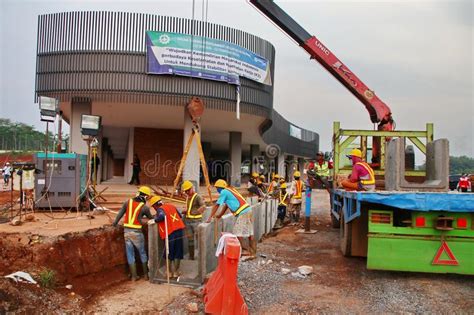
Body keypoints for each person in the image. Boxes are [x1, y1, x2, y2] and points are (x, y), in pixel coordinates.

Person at [207, 179, 256, 259]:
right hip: (248, 210)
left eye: (217, 188)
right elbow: (226, 205)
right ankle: (253, 252)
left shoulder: (224, 192)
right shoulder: (230, 190)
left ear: (220, 188)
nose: (217, 190)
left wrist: (210, 217)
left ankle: (244, 251)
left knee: (237, 232)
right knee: (249, 231)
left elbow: (217, 205)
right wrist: (220, 215)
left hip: (243, 212)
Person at [112, 186, 154, 281]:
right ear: (146, 197)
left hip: (126, 232)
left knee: (130, 254)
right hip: (137, 233)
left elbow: (120, 214)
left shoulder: (128, 202)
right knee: (142, 253)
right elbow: (151, 218)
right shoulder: (144, 208)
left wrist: (114, 223)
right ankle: (146, 275)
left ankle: (134, 277)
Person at [148, 195, 185, 278]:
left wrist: (155, 220)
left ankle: (168, 272)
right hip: (179, 231)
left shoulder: (160, 209)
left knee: (169, 252)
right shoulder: (171, 206)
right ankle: (176, 272)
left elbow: (162, 216)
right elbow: (180, 216)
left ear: (155, 205)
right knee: (178, 252)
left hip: (170, 233)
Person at [181, 180, 206, 260]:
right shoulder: (188, 197)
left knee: (199, 240)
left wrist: (196, 211)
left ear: (192, 188)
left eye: (188, 190)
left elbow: (203, 206)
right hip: (188, 221)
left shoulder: (197, 197)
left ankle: (201, 257)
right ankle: (191, 256)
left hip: (196, 221)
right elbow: (190, 208)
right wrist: (186, 211)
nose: (187, 192)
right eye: (186, 191)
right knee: (190, 240)